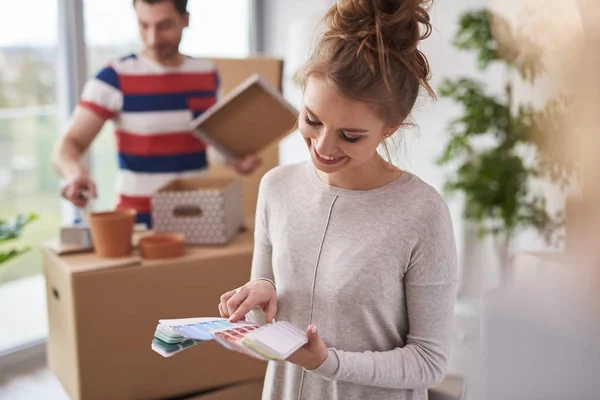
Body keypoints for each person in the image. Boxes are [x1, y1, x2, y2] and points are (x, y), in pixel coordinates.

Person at [217, 0, 458, 399]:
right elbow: (267, 337)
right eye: (311, 120)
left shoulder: (421, 213)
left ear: (389, 128)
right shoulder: (276, 188)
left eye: (350, 135)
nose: (323, 146)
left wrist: (328, 363)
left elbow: (429, 362)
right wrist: (258, 294)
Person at [52, 0, 260, 227]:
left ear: (185, 20)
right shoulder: (113, 77)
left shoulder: (207, 73)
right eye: (144, 25)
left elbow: (208, 146)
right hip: (137, 224)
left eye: (164, 26)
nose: (153, 38)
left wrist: (233, 160)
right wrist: (73, 173)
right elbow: (68, 145)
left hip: (197, 219)